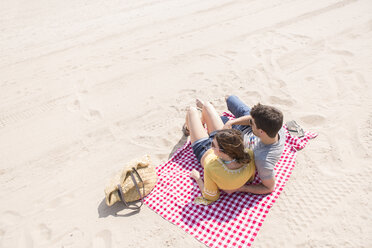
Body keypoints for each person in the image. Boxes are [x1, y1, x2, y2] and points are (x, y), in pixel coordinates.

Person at [185, 102, 256, 205]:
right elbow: (250, 178)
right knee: (206, 106)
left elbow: (209, 196)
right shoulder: (248, 154)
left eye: (213, 145)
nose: (212, 146)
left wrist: (198, 178)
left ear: (221, 152)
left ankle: (188, 129)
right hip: (221, 140)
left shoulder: (212, 168)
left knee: (191, 110)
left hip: (203, 148)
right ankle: (198, 125)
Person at [221, 95, 285, 195]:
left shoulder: (263, 160)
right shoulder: (275, 125)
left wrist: (241, 188)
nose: (250, 122)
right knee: (230, 98)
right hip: (248, 130)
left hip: (237, 136)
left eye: (252, 123)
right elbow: (251, 118)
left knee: (214, 118)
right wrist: (232, 122)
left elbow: (269, 188)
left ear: (261, 131)